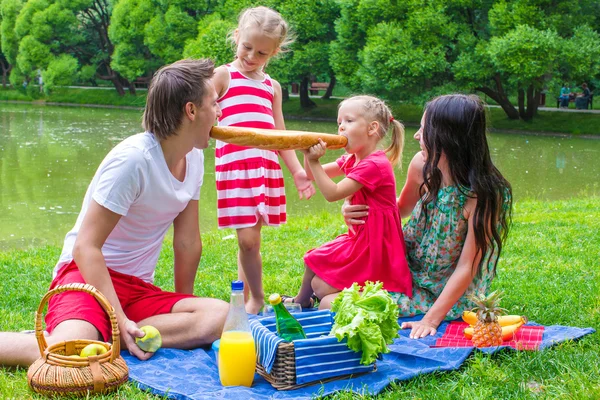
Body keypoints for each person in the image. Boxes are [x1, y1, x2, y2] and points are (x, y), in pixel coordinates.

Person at [0, 58, 229, 367]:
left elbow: (187, 241)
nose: (220, 112)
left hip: (137, 288)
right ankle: (98, 335)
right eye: (214, 104)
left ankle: (105, 337)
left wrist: (182, 305)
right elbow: (86, 247)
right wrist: (119, 319)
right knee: (68, 351)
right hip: (88, 278)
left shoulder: (195, 158)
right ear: (191, 111)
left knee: (221, 316)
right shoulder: (133, 160)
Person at [343, 94, 512, 338]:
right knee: (324, 285)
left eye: (424, 130)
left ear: (448, 138)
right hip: (403, 266)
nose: (416, 135)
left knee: (336, 302)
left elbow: (467, 267)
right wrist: (350, 207)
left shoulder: (484, 194)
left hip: (442, 288)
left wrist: (429, 321)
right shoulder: (421, 166)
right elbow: (397, 210)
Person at [212, 6, 315, 314]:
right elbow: (205, 112)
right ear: (236, 37)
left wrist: (297, 171)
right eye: (247, 47)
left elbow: (279, 134)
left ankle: (245, 303)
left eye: (262, 53)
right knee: (246, 241)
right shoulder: (223, 76)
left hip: (264, 169)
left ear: (274, 52)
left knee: (252, 239)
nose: (252, 56)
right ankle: (257, 297)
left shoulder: (272, 87)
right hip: (236, 170)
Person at [286, 95, 412, 310]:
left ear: (372, 128)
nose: (341, 128)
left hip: (376, 248)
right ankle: (301, 301)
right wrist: (308, 154)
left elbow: (332, 193)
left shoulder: (375, 165)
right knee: (314, 258)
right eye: (339, 123)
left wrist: (315, 160)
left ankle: (338, 296)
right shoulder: (352, 159)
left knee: (322, 288)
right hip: (360, 238)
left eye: (349, 121)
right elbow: (310, 174)